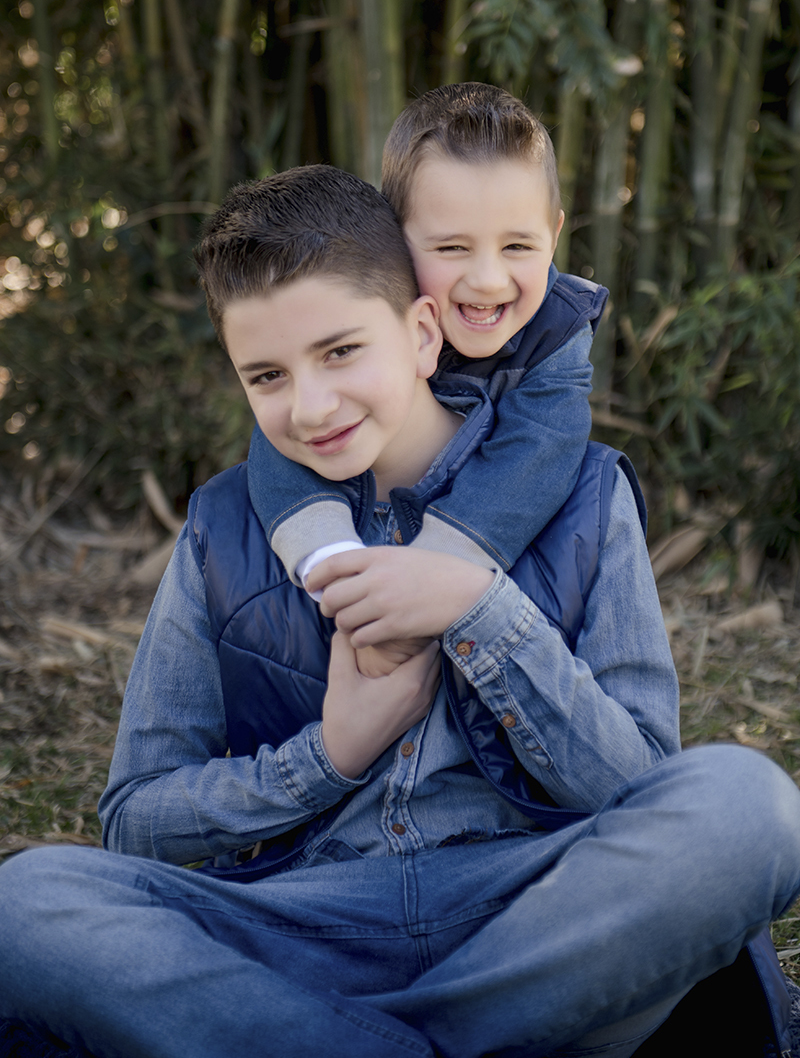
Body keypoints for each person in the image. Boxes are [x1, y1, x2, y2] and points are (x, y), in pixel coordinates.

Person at [0, 165, 799, 1058]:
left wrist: (481, 609)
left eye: (341, 351)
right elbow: (135, 820)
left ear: (421, 334)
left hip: (538, 918)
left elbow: (641, 782)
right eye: (266, 375)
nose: (311, 406)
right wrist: (327, 757)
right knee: (24, 905)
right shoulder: (222, 528)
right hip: (299, 932)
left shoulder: (586, 495)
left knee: (748, 805)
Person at [245, 85, 607, 673]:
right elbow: (297, 418)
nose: (488, 280)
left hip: (467, 576)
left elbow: (539, 451)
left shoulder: (556, 331)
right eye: (452, 247)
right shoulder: (368, 312)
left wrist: (436, 568)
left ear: (556, 234)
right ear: (395, 235)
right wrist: (326, 555)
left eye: (518, 245)